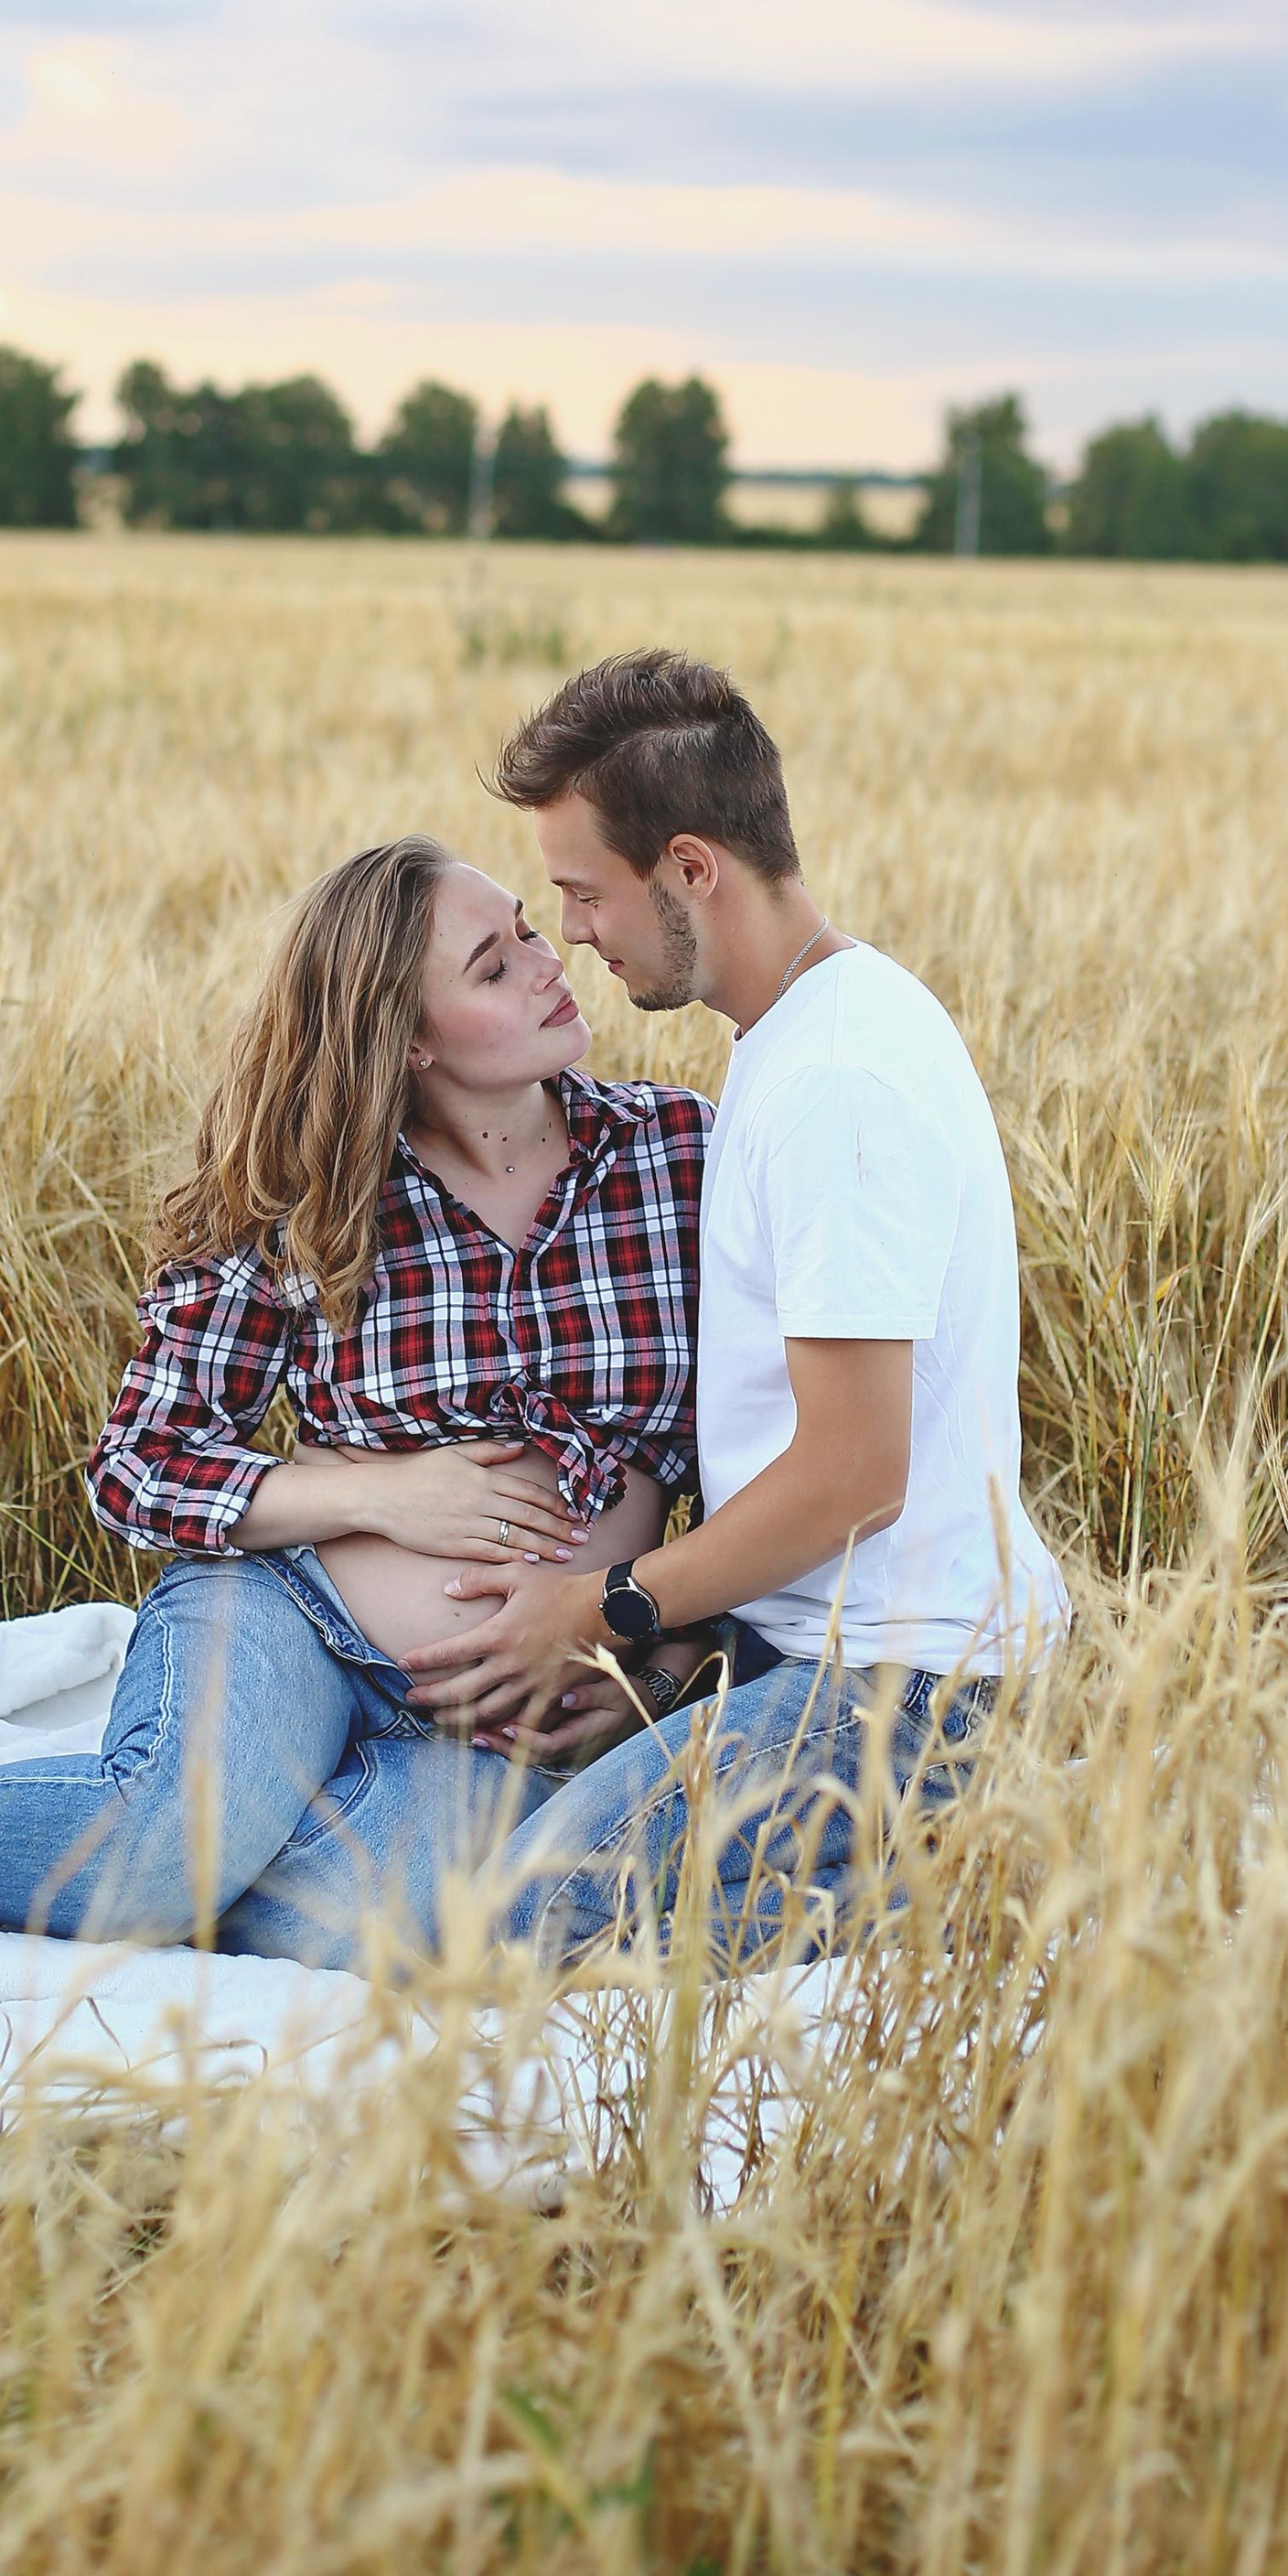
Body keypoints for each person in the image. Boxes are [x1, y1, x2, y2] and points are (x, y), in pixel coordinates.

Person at [0, 835, 711, 1958]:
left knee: (369, 1928)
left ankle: (173, 1827)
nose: (548, 964)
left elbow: (776, 1466)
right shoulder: (309, 1195)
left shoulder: (677, 1159)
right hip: (288, 1609)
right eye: (492, 967)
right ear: (402, 1038)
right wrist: (382, 1497)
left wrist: (657, 1659)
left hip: (496, 1716)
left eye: (528, 933)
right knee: (175, 1844)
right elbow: (141, 1463)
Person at [400, 648, 1068, 1965]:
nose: (574, 933)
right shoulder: (813, 1026)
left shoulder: (833, 1085)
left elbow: (853, 1476)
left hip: (900, 1688)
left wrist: (607, 1609)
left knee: (522, 1928)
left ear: (692, 868)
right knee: (504, 1878)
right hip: (832, 1656)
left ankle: (1004, 1893)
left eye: (587, 893)